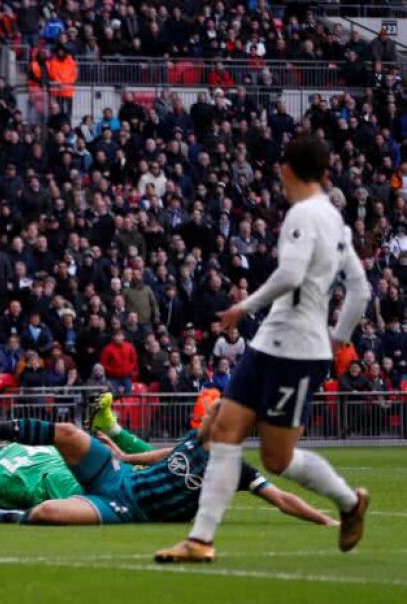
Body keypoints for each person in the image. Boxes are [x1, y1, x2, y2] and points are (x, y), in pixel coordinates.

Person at [156, 135, 371, 563]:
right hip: (274, 344)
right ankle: (200, 540)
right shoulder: (337, 221)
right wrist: (337, 340)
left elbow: (290, 275)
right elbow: (361, 291)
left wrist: (243, 306)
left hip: (294, 353)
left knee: (277, 458)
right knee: (224, 432)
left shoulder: (303, 215)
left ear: (285, 169)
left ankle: (349, 502)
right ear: (326, 172)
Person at [0, 390, 336, 528]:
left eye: (212, 415)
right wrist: (123, 454)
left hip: (125, 507)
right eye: (208, 413)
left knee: (48, 514)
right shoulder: (192, 439)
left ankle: (9, 517)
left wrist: (323, 519)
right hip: (116, 475)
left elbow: (280, 498)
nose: (204, 418)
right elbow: (164, 454)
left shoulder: (233, 467)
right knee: (68, 432)